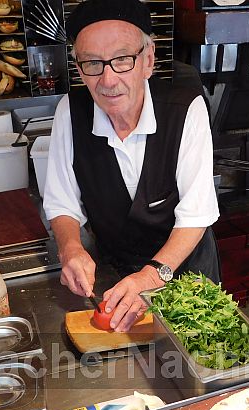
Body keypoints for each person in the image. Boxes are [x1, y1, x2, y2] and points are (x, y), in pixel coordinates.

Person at [42, 0, 220, 332]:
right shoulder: (70, 112)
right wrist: (70, 248)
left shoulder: (186, 109)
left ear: (147, 60)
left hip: (186, 278)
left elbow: (197, 214)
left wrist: (152, 276)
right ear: (79, 69)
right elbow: (61, 201)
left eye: (122, 59)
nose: (108, 79)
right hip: (116, 275)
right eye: (93, 63)